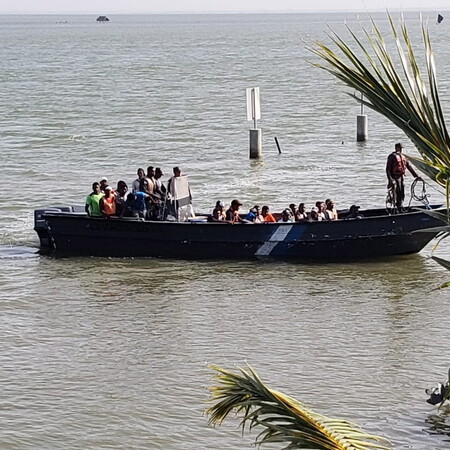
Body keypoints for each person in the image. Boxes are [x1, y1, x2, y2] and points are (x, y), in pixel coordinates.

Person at [386, 142, 421, 212]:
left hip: (401, 177)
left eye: (401, 148)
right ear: (396, 148)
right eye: (399, 148)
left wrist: (416, 176)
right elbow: (388, 169)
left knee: (402, 194)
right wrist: (390, 180)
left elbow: (409, 166)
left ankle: (400, 207)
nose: (400, 150)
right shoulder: (392, 156)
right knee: (397, 193)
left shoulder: (403, 156)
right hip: (395, 178)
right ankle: (397, 209)